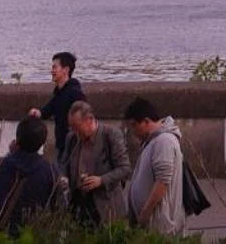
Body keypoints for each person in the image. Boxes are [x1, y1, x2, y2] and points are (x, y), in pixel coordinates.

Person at [0, 116, 59, 234]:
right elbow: (57, 207)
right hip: (32, 234)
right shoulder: (50, 171)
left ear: (17, 139)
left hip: (0, 233)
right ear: (42, 142)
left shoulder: (0, 164)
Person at [60, 100, 130, 225]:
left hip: (105, 204)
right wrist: (63, 177)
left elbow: (124, 168)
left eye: (77, 127)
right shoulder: (71, 138)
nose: (75, 132)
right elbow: (64, 163)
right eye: (72, 128)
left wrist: (101, 180)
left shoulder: (111, 135)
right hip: (78, 203)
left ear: (89, 120)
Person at [124, 96, 186, 236]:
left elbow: (162, 181)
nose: (133, 131)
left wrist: (145, 214)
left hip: (159, 223)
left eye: (134, 125)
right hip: (151, 223)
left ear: (146, 121)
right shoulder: (152, 140)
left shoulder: (164, 141)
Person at [29, 50, 84, 156]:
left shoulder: (75, 93)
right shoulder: (59, 93)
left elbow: (83, 117)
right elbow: (47, 111)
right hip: (62, 146)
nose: (52, 71)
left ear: (66, 70)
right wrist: (36, 112)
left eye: (55, 67)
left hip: (73, 149)